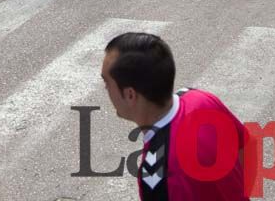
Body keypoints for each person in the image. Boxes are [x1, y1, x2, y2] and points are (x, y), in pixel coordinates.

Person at [100, 32, 247, 201]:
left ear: (130, 94)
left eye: (107, 83)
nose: (107, 90)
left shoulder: (156, 174)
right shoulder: (200, 99)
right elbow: (244, 147)